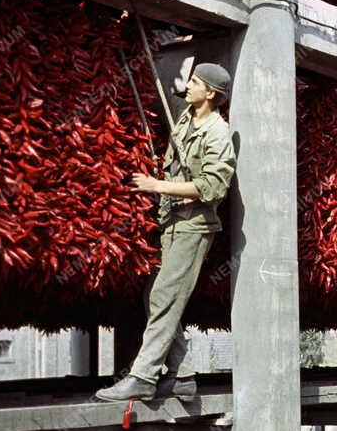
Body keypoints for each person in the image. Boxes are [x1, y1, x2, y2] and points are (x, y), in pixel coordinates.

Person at [96, 63, 236, 403]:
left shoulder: (219, 134)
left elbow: (213, 188)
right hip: (172, 222)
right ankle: (183, 376)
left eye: (195, 82)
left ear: (212, 94)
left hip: (194, 227)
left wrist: (157, 185)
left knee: (164, 296)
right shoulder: (188, 119)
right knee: (154, 295)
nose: (188, 86)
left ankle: (143, 376)